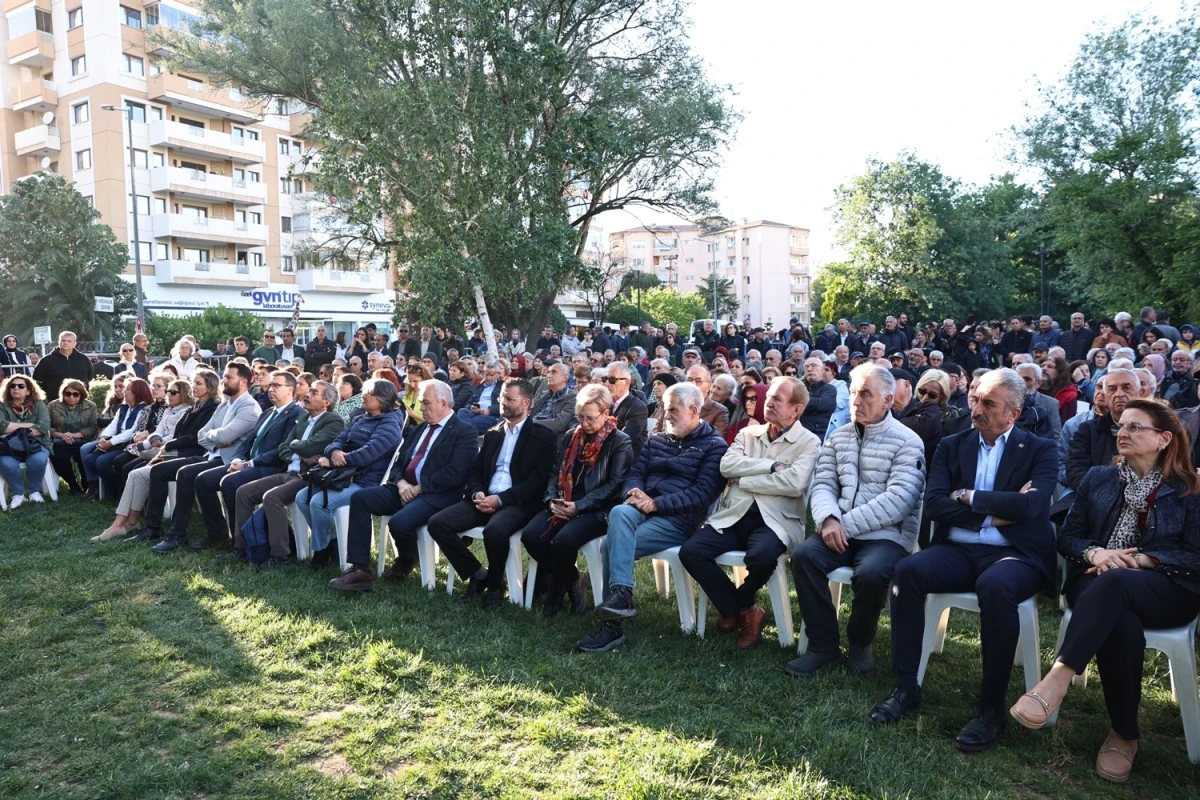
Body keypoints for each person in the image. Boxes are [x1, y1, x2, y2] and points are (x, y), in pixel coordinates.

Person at [868, 368, 1057, 753]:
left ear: (1014, 414)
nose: (977, 409)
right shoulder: (953, 445)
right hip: (957, 549)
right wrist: (999, 509)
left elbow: (1033, 504)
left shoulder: (1040, 449)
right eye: (975, 399)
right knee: (907, 572)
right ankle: (906, 687)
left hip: (1014, 554)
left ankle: (990, 709)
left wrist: (969, 497)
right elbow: (935, 505)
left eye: (989, 403)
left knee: (996, 586)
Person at [1010, 399, 1200, 783]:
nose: (1122, 433)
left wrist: (1143, 560)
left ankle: (1058, 677)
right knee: (1122, 621)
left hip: (1168, 588)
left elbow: (1195, 555)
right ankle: (1125, 734)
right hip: (1095, 582)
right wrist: (1097, 551)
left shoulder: (1189, 488)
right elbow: (1068, 537)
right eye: (1121, 426)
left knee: (1115, 580)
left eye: (1134, 427)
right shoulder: (1099, 477)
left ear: (1164, 438)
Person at [788, 365, 926, 676]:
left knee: (873, 573)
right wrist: (827, 518)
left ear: (888, 400)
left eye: (865, 394)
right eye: (852, 393)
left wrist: (842, 525)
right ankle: (823, 645)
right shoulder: (839, 437)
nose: (856, 401)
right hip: (838, 526)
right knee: (804, 557)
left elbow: (899, 501)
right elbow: (822, 484)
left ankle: (860, 641)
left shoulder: (908, 441)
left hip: (887, 535)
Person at [576, 382, 728, 653]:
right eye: (664, 409)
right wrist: (634, 492)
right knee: (621, 510)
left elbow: (702, 494)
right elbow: (635, 472)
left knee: (609, 545)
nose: (665, 415)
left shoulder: (714, 446)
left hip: (678, 521)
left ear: (694, 410)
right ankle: (621, 596)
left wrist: (655, 504)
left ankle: (610, 626)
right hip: (640, 509)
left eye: (672, 410)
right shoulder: (658, 439)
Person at [680, 377, 820, 648]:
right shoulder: (748, 433)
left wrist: (746, 480)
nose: (768, 403)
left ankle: (740, 604)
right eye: (769, 398)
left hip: (776, 520)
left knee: (762, 556)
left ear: (796, 409)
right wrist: (770, 467)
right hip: (735, 513)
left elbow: (793, 483)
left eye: (777, 399)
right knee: (691, 551)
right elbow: (726, 466)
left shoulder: (809, 442)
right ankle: (742, 610)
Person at [329, 379, 477, 588]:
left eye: (425, 403)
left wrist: (419, 487)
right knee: (361, 498)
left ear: (443, 403)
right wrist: (400, 483)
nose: (420, 408)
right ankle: (360, 569)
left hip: (435, 494)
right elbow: (400, 461)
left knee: (399, 522)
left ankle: (408, 558)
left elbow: (456, 473)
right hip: (404, 487)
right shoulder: (419, 428)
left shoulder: (463, 431)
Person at [426, 378, 555, 606]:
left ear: (526, 403)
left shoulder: (542, 437)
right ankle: (478, 574)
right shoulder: (494, 433)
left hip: (518, 502)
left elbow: (537, 482)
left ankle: (495, 586)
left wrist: (501, 499)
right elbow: (475, 471)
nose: (502, 402)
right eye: (501, 397)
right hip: (484, 498)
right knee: (438, 523)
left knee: (495, 531)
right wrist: (477, 493)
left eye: (509, 398)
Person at [521, 383, 633, 615]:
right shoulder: (573, 436)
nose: (585, 423)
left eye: (590, 418)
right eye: (580, 416)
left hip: (598, 508)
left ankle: (555, 593)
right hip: (564, 501)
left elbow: (615, 486)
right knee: (531, 536)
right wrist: (551, 499)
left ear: (605, 413)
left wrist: (580, 506)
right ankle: (573, 578)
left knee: (564, 540)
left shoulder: (619, 441)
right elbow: (555, 471)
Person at [220, 380, 345, 566]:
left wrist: (297, 447)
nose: (307, 394)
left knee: (272, 498)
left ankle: (280, 556)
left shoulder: (333, 421)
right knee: (243, 492)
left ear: (326, 402)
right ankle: (242, 547)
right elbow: (283, 449)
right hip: (288, 470)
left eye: (314, 392)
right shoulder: (303, 418)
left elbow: (311, 445)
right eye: (308, 390)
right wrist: (300, 451)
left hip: (308, 477)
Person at [146, 364, 263, 553]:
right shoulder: (225, 404)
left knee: (188, 475)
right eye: (224, 376)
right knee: (159, 470)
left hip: (230, 460)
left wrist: (216, 438)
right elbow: (202, 435)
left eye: (229, 377)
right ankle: (152, 528)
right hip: (211, 454)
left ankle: (178, 535)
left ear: (243, 382)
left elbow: (225, 437)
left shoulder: (249, 407)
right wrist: (216, 441)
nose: (224, 380)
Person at [186, 370, 304, 554]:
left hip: (271, 467)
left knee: (230, 483)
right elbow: (248, 442)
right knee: (203, 480)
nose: (270, 389)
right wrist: (237, 459)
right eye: (270, 385)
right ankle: (218, 533)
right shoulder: (268, 413)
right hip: (247, 463)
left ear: (290, 389)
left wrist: (249, 464)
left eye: (276, 385)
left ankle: (241, 543)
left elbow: (281, 450)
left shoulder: (296, 413)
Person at [295, 378, 404, 566]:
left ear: (382, 399)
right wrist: (334, 451)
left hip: (365, 482)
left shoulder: (390, 424)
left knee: (319, 503)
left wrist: (336, 461)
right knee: (301, 498)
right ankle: (332, 541)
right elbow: (338, 440)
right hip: (344, 476)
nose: (362, 396)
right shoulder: (361, 417)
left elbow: (368, 454)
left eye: (367, 393)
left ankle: (321, 551)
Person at [94, 376, 203, 542]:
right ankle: (125, 521)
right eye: (168, 392)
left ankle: (131, 521)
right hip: (157, 448)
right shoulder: (168, 410)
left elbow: (178, 437)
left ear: (184, 394)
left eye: (173, 392)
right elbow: (157, 431)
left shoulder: (186, 411)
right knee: (132, 471)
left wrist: (158, 444)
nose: (169, 394)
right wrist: (144, 445)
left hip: (172, 451)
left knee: (130, 466)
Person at [81, 377, 152, 500]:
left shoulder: (144, 409)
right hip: (114, 441)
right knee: (89, 459)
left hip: (126, 444)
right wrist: (104, 437)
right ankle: (96, 488)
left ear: (138, 392)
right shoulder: (124, 407)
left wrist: (111, 442)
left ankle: (113, 492)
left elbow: (132, 431)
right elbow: (113, 425)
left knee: (102, 462)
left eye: (128, 389)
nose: (124, 392)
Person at [0, 374, 51, 506]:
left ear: (28, 390)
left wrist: (12, 428)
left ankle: (34, 492)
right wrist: (29, 426)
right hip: (8, 447)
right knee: (7, 463)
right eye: (12, 386)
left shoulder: (39, 404)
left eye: (21, 386)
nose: (16, 388)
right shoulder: (2, 406)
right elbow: (1, 427)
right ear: (8, 389)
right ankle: (19, 494)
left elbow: (43, 427)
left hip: (36, 444)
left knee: (38, 460)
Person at [48, 379, 98, 494]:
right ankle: (73, 484)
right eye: (68, 394)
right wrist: (62, 435)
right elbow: (47, 427)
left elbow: (93, 427)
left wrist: (75, 435)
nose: (71, 397)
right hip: (60, 441)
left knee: (83, 456)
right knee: (58, 458)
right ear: (63, 394)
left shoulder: (90, 406)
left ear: (82, 394)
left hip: (82, 440)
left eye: (75, 394)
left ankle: (87, 485)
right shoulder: (53, 405)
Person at [32, 330, 93, 403]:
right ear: (59, 342)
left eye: (69, 341)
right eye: (63, 340)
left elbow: (90, 376)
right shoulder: (46, 360)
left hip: (79, 399)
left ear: (75, 344)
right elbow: (36, 378)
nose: (66, 343)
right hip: (55, 400)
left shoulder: (83, 359)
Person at [529, 362, 577, 436]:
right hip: (532, 432)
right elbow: (530, 412)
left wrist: (531, 424)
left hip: (549, 436)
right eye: (548, 372)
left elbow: (560, 423)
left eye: (554, 372)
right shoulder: (543, 394)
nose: (548, 375)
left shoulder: (572, 397)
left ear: (565, 377)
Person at [457, 361, 504, 434]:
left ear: (498, 374)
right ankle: (466, 435)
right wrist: (471, 407)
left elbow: (507, 406)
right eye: (486, 374)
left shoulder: (503, 387)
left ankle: (464, 436)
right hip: (475, 412)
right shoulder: (479, 386)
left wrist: (490, 410)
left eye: (491, 375)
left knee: (473, 422)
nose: (488, 377)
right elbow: (468, 403)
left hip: (491, 415)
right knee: (462, 411)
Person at [800, 356, 836, 439]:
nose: (809, 369)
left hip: (816, 433)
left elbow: (820, 404)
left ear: (822, 370)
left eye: (813, 365)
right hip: (797, 431)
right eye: (806, 367)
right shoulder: (799, 387)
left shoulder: (829, 389)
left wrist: (798, 399)